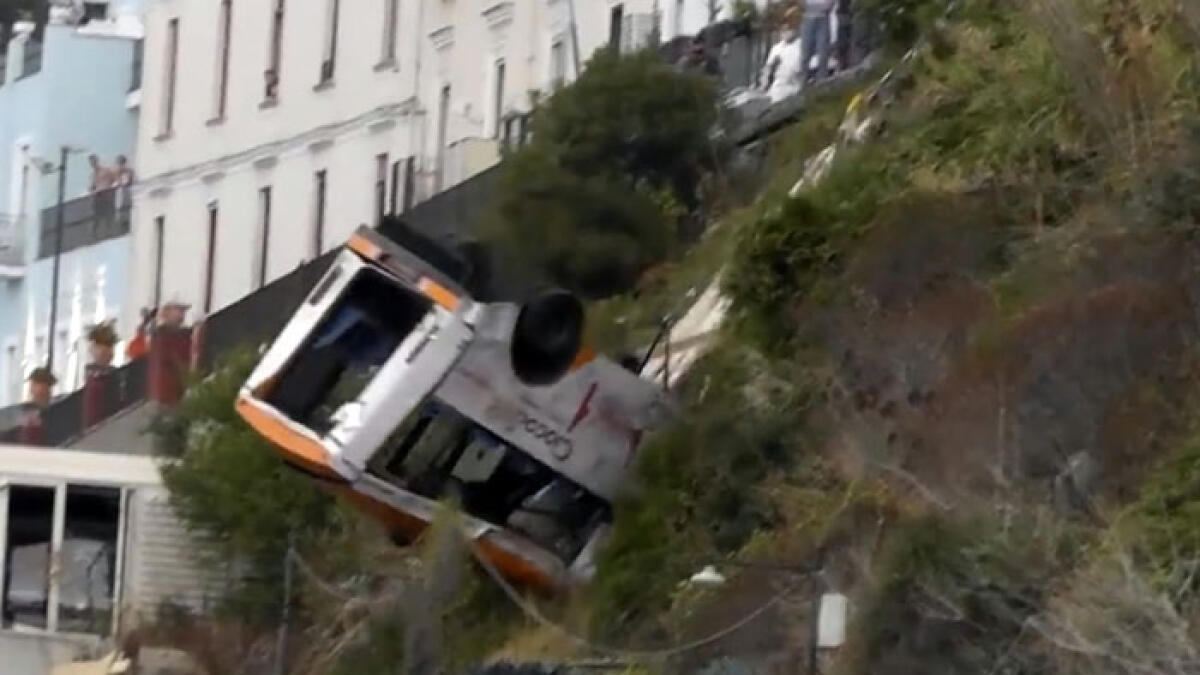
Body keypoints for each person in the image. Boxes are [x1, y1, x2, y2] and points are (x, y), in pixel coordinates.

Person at [762, 9, 803, 103]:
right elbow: (767, 70)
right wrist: (764, 83)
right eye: (782, 30)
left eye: (788, 29)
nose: (784, 32)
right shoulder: (776, 48)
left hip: (793, 87)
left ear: (794, 29)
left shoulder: (801, 46)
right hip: (776, 87)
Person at [801, 0, 835, 83]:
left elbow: (830, 4)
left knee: (823, 53)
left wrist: (822, 7)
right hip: (808, 17)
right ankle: (804, 82)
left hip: (823, 18)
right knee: (806, 53)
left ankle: (821, 82)